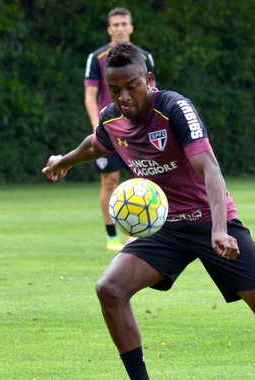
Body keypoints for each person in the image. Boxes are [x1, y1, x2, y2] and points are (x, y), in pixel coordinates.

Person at [44, 42, 255, 380]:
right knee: (110, 288)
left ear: (148, 81)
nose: (123, 97)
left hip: (210, 221)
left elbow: (211, 170)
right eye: (115, 89)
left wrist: (219, 229)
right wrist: (64, 161)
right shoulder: (110, 119)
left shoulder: (173, 108)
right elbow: (95, 144)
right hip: (164, 227)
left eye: (132, 86)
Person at [84, 7, 157, 251]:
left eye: (124, 23)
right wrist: (97, 125)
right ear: (109, 29)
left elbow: (153, 92)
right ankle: (112, 236)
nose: (120, 28)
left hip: (138, 131)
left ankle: (143, 232)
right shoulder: (97, 58)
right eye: (115, 24)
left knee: (144, 180)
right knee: (109, 182)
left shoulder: (144, 57)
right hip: (111, 128)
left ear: (131, 27)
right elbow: (90, 94)